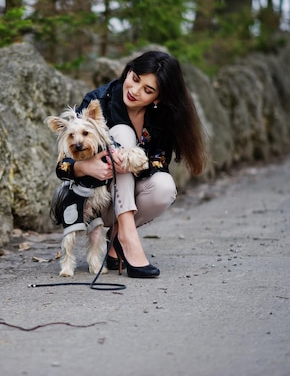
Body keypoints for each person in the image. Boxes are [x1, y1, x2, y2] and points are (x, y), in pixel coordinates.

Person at [55, 50, 207, 278]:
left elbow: (159, 163)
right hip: (97, 204)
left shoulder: (163, 118)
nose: (135, 91)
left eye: (147, 90)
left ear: (158, 99)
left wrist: (129, 162)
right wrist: (85, 167)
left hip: (130, 198)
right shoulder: (98, 101)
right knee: (122, 133)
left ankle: (119, 237)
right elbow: (62, 165)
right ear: (128, 72)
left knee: (165, 188)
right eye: (134, 79)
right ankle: (128, 236)